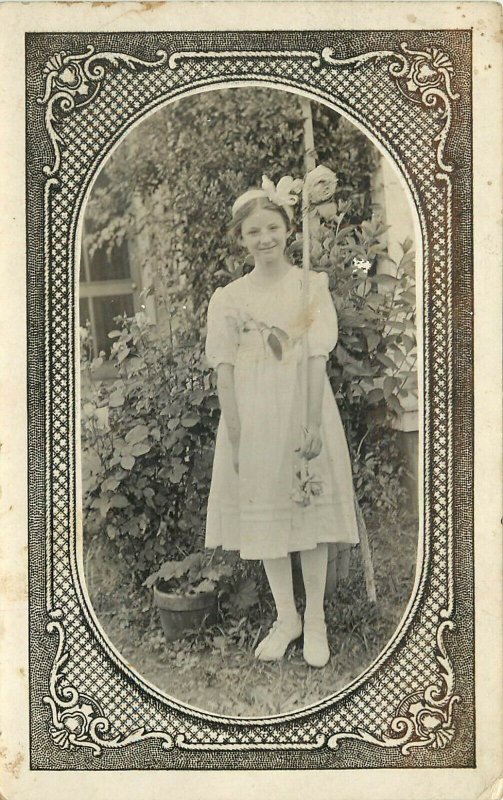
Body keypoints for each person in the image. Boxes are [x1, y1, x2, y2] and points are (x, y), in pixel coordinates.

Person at [205, 178, 359, 668]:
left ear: (289, 229)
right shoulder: (228, 298)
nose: (265, 238)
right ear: (242, 238)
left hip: (301, 409)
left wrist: (311, 422)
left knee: (307, 511)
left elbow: (316, 359)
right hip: (252, 416)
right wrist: (234, 432)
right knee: (268, 514)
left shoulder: (309, 285)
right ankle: (286, 617)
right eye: (254, 231)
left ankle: (315, 619)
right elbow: (224, 367)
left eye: (273, 227)